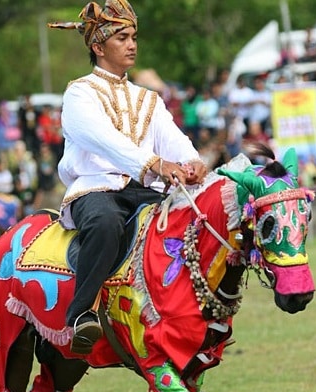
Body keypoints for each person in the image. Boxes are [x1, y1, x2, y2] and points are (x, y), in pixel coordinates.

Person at [49, 0, 207, 354]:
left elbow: (174, 139)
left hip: (145, 191)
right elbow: (104, 139)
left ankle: (185, 313)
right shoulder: (79, 93)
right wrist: (155, 163)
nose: (132, 44)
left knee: (186, 224)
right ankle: (80, 315)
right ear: (98, 47)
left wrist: (192, 161)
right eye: (122, 37)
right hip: (96, 189)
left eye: (134, 36)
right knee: (105, 223)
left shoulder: (148, 98)